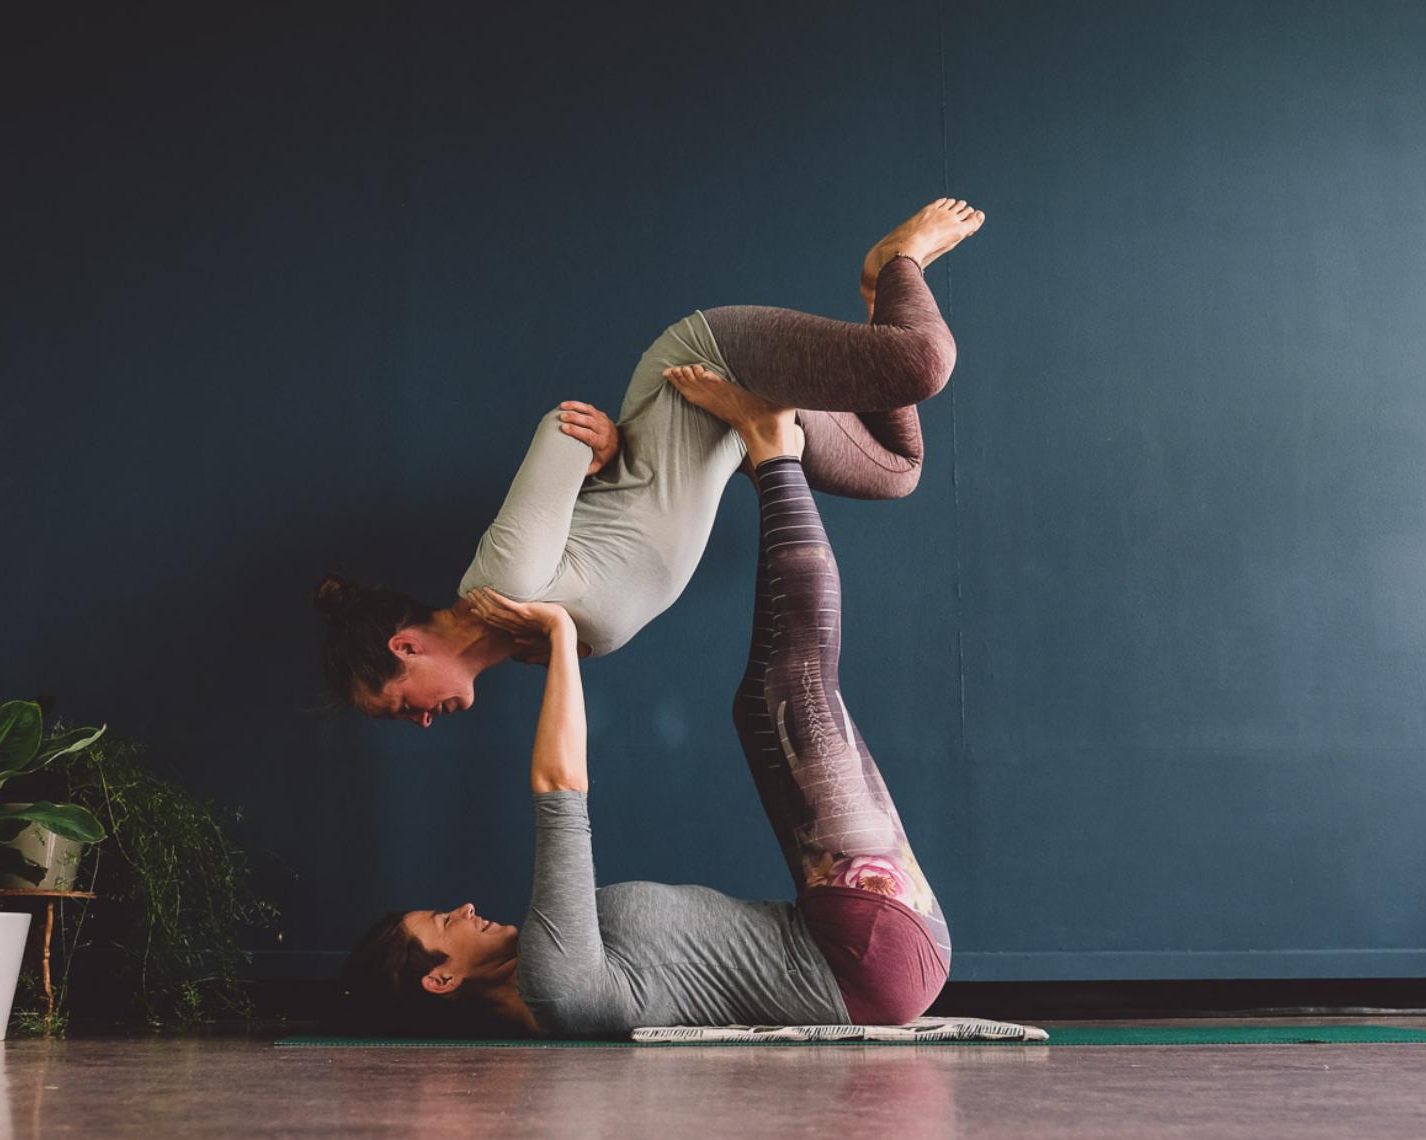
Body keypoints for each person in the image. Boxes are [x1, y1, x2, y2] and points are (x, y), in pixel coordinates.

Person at [340, 374, 950, 1036]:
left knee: (760, 706)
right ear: (442, 979)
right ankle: (772, 449)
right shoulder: (552, 978)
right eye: (442, 923)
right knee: (793, 688)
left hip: (872, 944)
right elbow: (561, 796)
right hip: (867, 955)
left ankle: (791, 436)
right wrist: (561, 638)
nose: (461, 907)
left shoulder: (552, 983)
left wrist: (598, 466)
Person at [315, 199, 985, 726]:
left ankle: (901, 260)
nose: (423, 720)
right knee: (898, 469)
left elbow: (563, 428)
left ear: (405, 648)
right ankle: (876, 293)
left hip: (707, 363)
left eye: (403, 707)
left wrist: (598, 447)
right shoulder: (529, 644)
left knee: (919, 364)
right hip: (732, 420)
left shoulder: (501, 583)